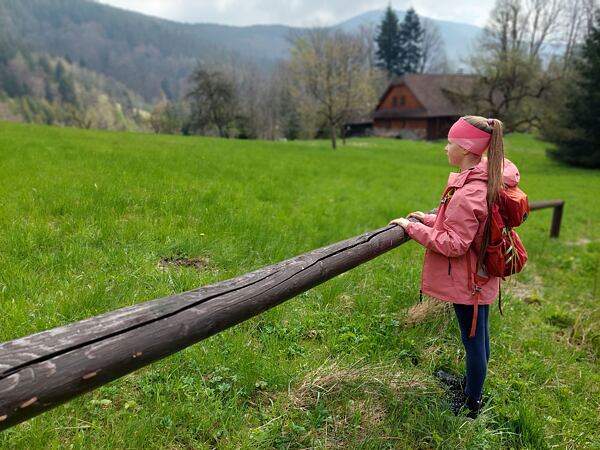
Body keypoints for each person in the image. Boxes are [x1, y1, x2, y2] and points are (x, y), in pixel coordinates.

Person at [389, 115, 521, 418]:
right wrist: (430, 220)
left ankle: (471, 403)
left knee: (474, 342)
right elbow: (467, 228)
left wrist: (412, 229)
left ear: (464, 148)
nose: (445, 148)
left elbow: (454, 244)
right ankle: (471, 386)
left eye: (449, 142)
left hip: (469, 280)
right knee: (481, 336)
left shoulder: (470, 191)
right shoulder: (485, 180)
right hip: (483, 273)